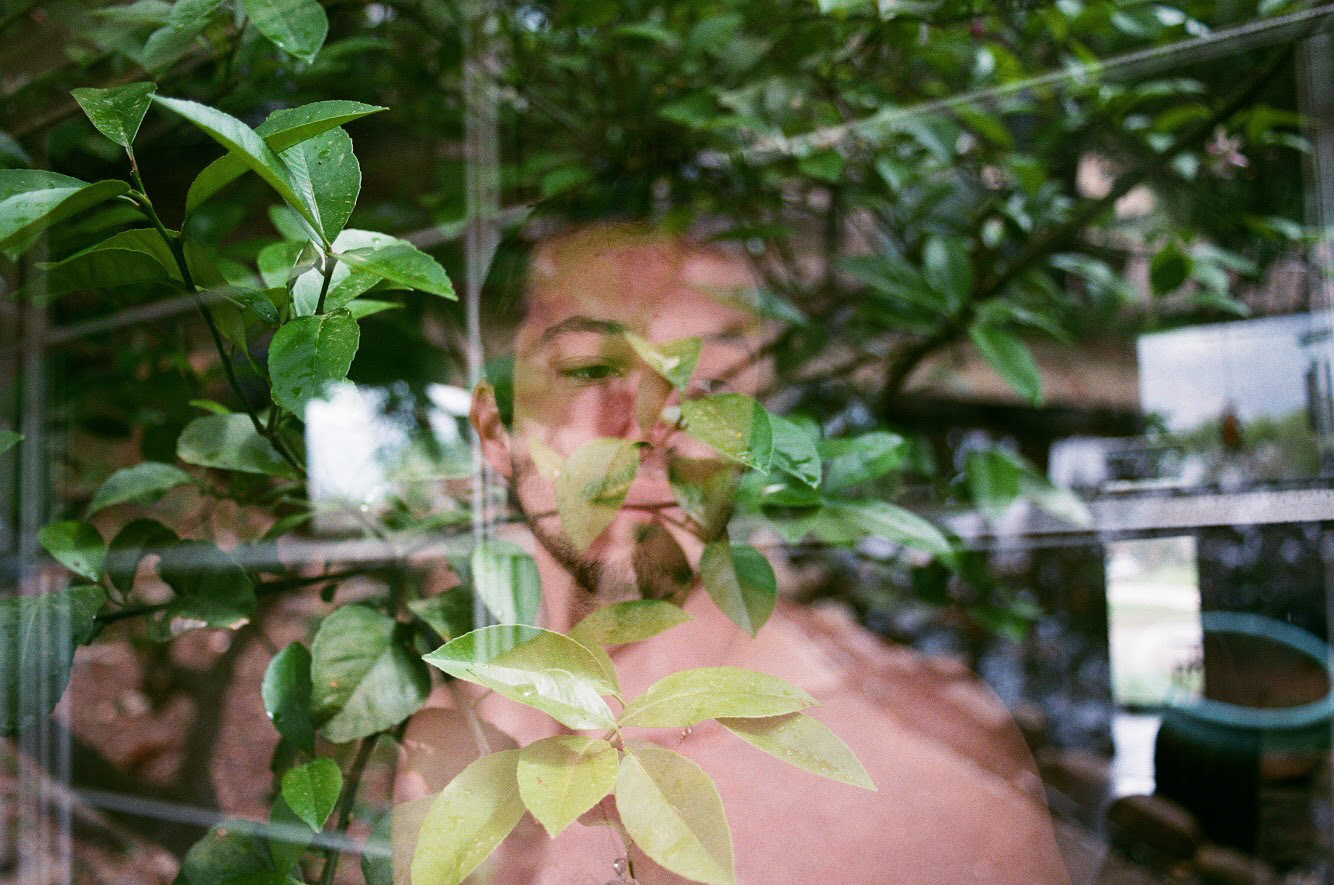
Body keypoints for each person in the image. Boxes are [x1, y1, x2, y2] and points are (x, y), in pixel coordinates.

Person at [393, 224, 1070, 884]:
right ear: (495, 428)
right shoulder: (421, 748)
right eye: (590, 369)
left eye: (709, 386)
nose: (649, 427)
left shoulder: (930, 773)